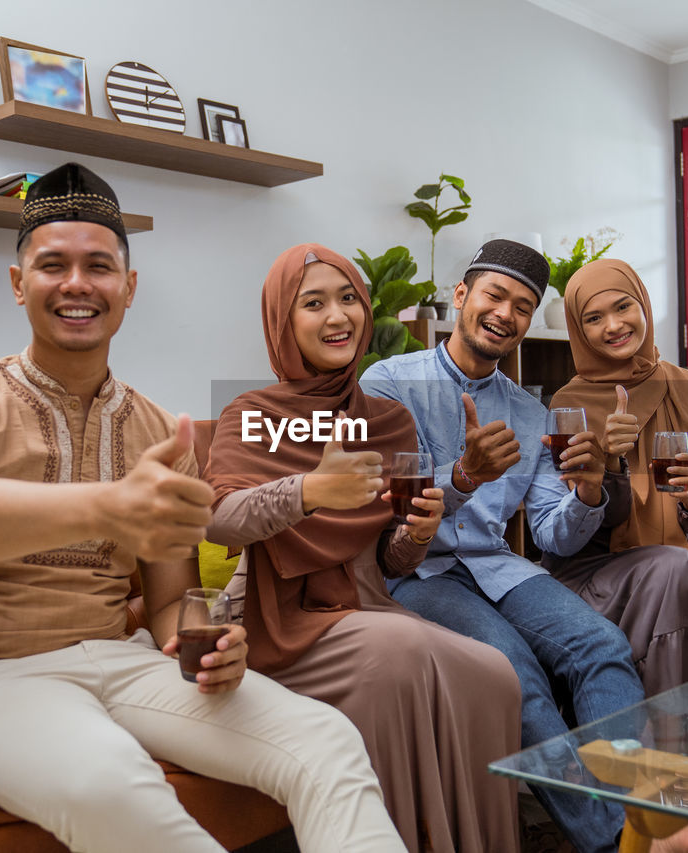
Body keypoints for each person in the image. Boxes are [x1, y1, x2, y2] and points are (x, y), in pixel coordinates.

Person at [0, 163, 404, 853]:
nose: (77, 283)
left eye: (99, 265)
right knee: (111, 778)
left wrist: (207, 641)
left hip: (120, 658)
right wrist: (109, 505)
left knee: (324, 739)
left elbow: (167, 605)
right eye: (53, 265)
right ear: (19, 284)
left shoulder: (162, 431)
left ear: (128, 289)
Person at [361, 240, 688, 853]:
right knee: (513, 674)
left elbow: (551, 532)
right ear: (462, 297)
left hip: (498, 565)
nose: (506, 314)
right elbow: (382, 504)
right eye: (495, 296)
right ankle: (624, 841)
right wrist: (462, 477)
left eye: (522, 306)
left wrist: (590, 491)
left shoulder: (528, 409)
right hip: (417, 573)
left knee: (602, 645)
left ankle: (644, 821)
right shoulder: (388, 381)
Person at [205, 243, 521, 852]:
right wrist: (310, 489)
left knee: (497, 675)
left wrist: (418, 534)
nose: (337, 316)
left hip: (365, 610)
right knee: (396, 653)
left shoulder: (387, 421)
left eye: (349, 298)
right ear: (282, 321)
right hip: (277, 623)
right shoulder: (250, 414)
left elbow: (387, 560)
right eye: (313, 303)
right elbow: (221, 519)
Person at [545, 259, 688, 696]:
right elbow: (579, 525)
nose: (613, 325)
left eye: (623, 307)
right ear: (579, 328)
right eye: (593, 318)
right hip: (594, 565)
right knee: (671, 569)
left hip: (673, 552)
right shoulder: (568, 404)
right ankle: (664, 734)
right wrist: (611, 460)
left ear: (644, 306)